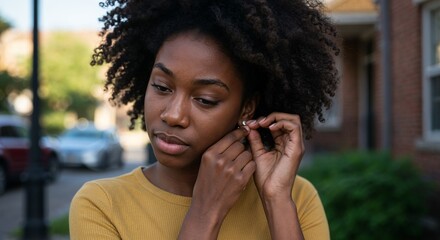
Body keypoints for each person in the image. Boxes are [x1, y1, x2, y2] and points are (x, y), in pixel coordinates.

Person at [69, 0, 339, 239]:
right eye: (162, 87)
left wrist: (276, 201)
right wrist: (205, 212)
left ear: (247, 108)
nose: (173, 115)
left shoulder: (294, 197)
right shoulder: (101, 204)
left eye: (205, 99)